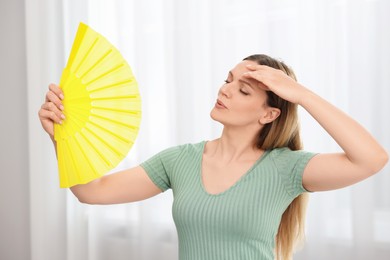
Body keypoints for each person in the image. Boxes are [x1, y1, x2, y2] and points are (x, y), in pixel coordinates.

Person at [39, 54, 388, 260]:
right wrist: (61, 137)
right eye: (228, 80)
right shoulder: (179, 161)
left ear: (268, 114)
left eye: (243, 89)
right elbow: (91, 191)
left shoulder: (286, 168)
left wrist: (301, 95)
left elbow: (371, 159)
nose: (225, 89)